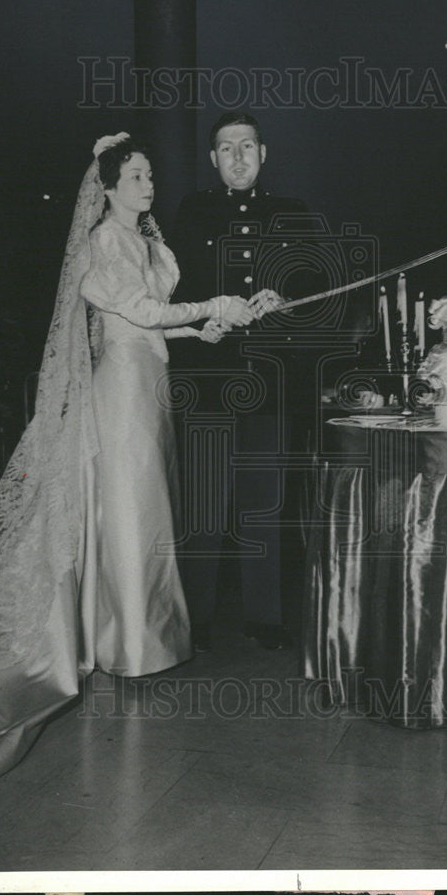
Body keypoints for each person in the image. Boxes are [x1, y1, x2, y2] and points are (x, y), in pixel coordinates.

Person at [0, 132, 253, 787]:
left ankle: (126, 637)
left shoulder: (150, 244)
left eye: (149, 175)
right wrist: (212, 305)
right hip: (121, 389)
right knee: (129, 509)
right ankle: (129, 644)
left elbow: (152, 320)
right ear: (105, 187)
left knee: (143, 508)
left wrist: (200, 328)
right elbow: (134, 309)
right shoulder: (105, 240)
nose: (146, 185)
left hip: (147, 385)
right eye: (133, 176)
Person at [170, 112, 312, 651]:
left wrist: (283, 296)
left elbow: (319, 283)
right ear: (213, 159)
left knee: (264, 501)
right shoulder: (193, 210)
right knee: (205, 504)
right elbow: (175, 285)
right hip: (207, 379)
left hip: (270, 381)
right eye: (226, 148)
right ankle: (195, 618)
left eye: (247, 146)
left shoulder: (292, 213)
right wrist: (209, 314)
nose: (237, 157)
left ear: (264, 153)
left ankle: (265, 617)